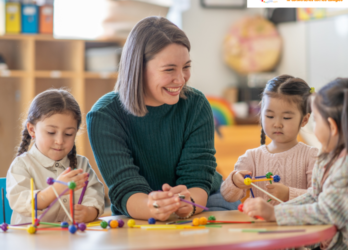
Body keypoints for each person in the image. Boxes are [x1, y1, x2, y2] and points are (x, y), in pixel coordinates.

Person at [87, 16, 239, 222]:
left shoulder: (196, 104)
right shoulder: (104, 115)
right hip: (140, 212)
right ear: (138, 68)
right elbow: (125, 188)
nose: (181, 79)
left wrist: (188, 204)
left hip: (207, 202)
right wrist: (154, 207)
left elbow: (198, 179)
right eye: (169, 69)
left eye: (186, 66)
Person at [242, 77, 348, 249]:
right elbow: (315, 196)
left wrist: (275, 214)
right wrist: (274, 212)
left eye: (316, 119)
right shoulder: (328, 156)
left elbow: (329, 213)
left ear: (332, 126)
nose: (312, 125)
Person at [7, 89, 105, 224]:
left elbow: (95, 194)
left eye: (69, 134)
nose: (59, 141)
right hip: (30, 240)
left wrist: (89, 211)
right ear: (32, 130)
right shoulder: (21, 165)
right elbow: (20, 201)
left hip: (70, 240)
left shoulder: (81, 165)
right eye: (51, 132)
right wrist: (55, 190)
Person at [221, 75, 318, 205]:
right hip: (261, 224)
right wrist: (234, 181)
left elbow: (319, 197)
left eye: (287, 118)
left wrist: (288, 194)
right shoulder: (251, 157)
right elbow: (228, 196)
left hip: (297, 224)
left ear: (304, 120)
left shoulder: (312, 156)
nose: (277, 124)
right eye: (270, 116)